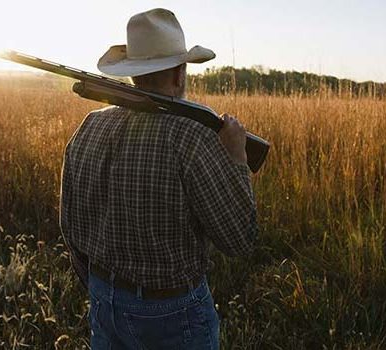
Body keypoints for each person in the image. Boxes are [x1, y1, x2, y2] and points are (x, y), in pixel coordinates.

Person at [60, 8, 258, 349]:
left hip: (103, 299)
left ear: (134, 73)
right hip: (173, 314)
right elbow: (240, 239)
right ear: (181, 74)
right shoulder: (193, 135)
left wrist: (101, 286)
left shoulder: (90, 125)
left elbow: (70, 225)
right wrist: (237, 159)